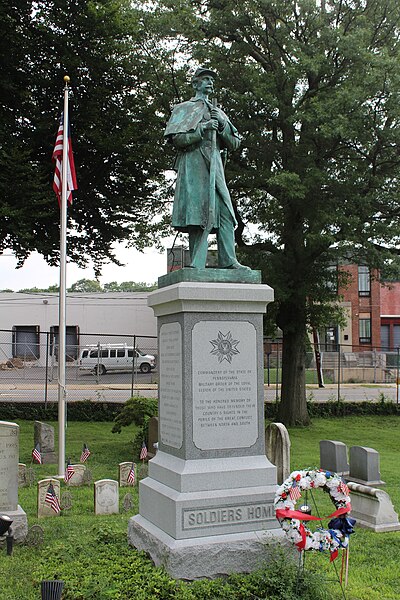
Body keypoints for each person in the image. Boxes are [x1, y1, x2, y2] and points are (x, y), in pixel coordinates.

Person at [164, 67, 249, 270]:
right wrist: (202, 128)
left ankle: (229, 260)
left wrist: (221, 125)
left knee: (227, 212)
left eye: (212, 79)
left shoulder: (218, 111)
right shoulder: (184, 108)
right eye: (205, 79)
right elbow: (177, 140)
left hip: (215, 164)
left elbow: (235, 143)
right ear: (195, 84)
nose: (210, 82)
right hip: (194, 163)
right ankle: (197, 263)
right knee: (197, 214)